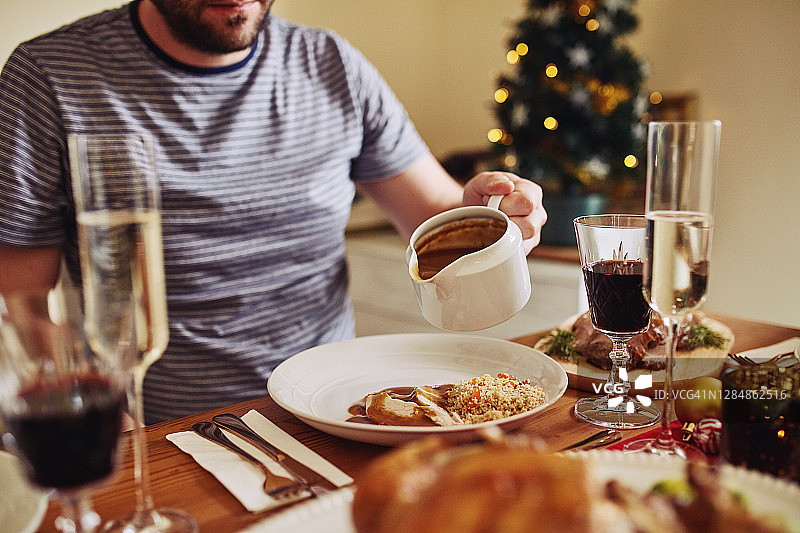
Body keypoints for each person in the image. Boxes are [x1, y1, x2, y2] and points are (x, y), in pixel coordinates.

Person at [0, 0, 547, 424]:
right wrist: (91, 416)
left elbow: (439, 216)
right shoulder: (50, 75)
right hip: (160, 426)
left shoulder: (331, 63)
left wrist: (494, 218)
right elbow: (19, 297)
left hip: (335, 408)